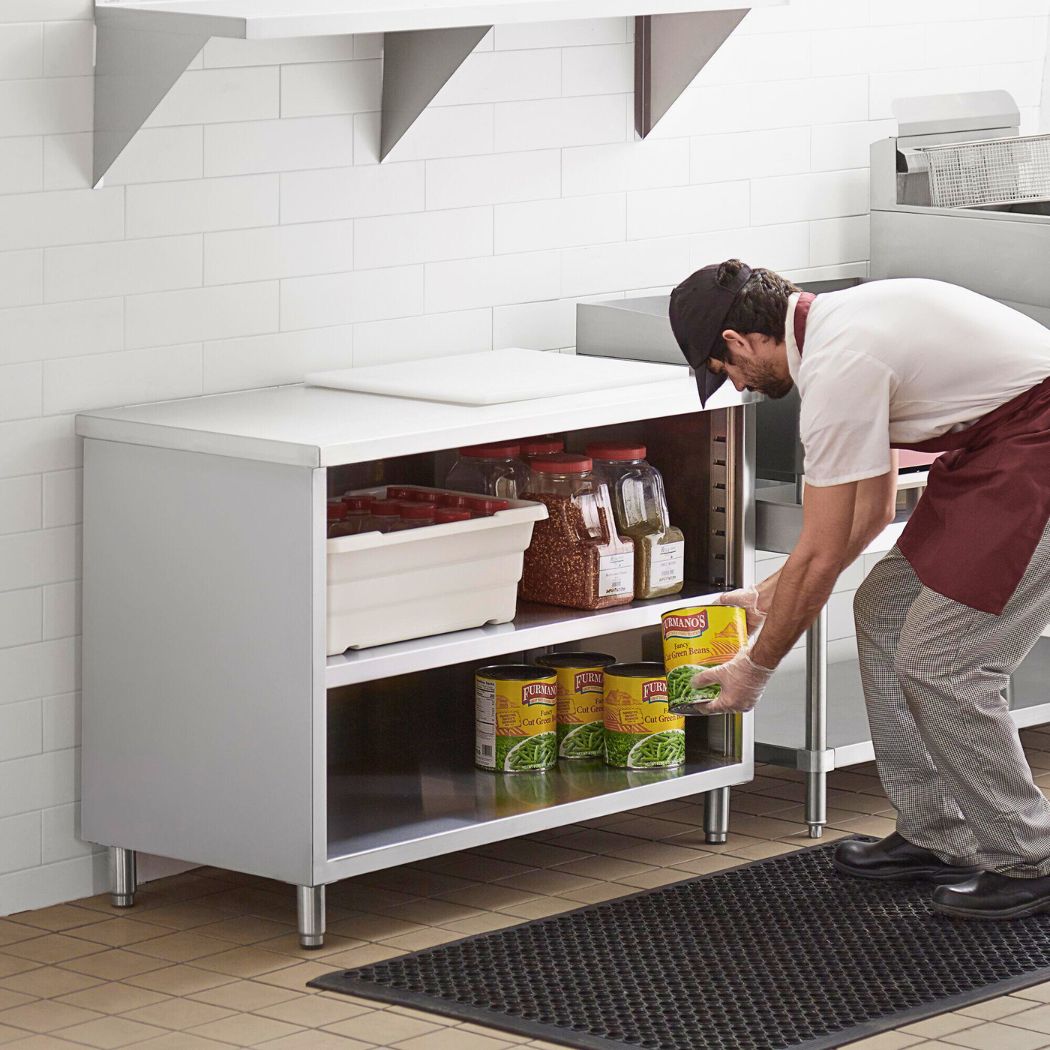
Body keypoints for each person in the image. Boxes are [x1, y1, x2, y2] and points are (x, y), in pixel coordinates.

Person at [668, 259, 1050, 919]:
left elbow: (820, 553)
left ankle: (1029, 857)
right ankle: (936, 833)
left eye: (724, 369)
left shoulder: (838, 366)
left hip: (1035, 452)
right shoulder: (839, 331)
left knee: (944, 665)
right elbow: (868, 513)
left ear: (735, 341)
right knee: (883, 611)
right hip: (998, 453)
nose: (738, 384)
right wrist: (774, 590)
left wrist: (753, 671)